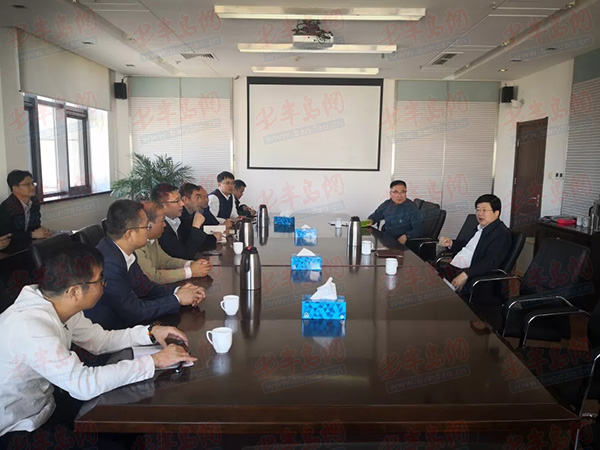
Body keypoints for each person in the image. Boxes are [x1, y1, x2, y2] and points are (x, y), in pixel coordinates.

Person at [0, 243, 196, 441]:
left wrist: (150, 332)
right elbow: (83, 384)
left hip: (47, 404)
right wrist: (154, 361)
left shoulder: (58, 304)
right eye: (100, 280)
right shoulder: (30, 327)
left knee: (129, 423)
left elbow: (99, 341)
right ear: (75, 292)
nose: (105, 284)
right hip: (18, 427)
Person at [85, 199, 205, 330]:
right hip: (113, 330)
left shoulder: (124, 252)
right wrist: (177, 299)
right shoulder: (109, 264)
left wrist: (178, 291)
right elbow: (134, 312)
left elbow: (145, 287)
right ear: (129, 234)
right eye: (146, 227)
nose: (148, 230)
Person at [438, 194, 511, 292]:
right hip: (454, 267)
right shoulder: (480, 227)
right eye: (478, 210)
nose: (480, 214)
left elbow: (489, 262)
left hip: (471, 276)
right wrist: (451, 243)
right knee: (426, 272)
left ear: (496, 213)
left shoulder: (501, 234)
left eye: (484, 210)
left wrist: (466, 274)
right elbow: (466, 245)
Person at [136, 201, 212, 284]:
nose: (165, 225)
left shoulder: (153, 239)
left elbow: (166, 261)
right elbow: (153, 277)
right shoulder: (137, 246)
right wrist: (190, 271)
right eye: (162, 220)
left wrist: (190, 264)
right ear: (149, 225)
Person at [153, 183, 217, 259]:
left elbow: (198, 244)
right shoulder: (161, 229)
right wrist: (196, 226)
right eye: (177, 201)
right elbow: (185, 255)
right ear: (162, 205)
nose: (182, 204)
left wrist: (214, 237)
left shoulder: (177, 221)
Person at [0, 170, 51, 248]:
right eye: (27, 184)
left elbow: (36, 225)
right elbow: (7, 234)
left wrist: (43, 231)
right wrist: (32, 234)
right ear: (15, 188)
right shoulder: (7, 207)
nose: (33, 187)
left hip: (28, 244)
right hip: (11, 247)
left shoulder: (34, 201)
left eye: (32, 183)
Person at [366, 180, 423, 244]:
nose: (399, 195)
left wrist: (406, 236)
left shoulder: (411, 207)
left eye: (402, 192)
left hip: (404, 243)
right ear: (390, 193)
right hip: (388, 239)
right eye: (395, 192)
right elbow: (374, 217)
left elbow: (418, 230)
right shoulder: (387, 204)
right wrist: (370, 221)